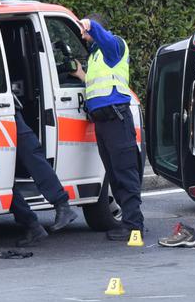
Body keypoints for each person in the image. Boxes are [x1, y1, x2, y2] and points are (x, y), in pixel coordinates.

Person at [74, 13, 144, 241]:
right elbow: (99, 83)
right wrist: (81, 75)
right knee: (114, 174)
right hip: (104, 122)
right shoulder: (95, 56)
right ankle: (128, 222)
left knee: (125, 173)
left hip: (116, 118)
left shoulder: (114, 46)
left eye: (84, 32)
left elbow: (102, 36)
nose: (83, 37)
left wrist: (90, 25)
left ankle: (134, 226)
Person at [9, 108, 78, 247]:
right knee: (3, 178)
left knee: (30, 155)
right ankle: (34, 225)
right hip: (3, 110)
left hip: (3, 112)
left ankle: (37, 222)